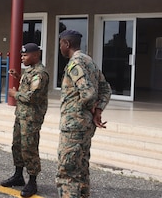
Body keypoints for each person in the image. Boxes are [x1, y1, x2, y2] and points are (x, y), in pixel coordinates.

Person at [56, 30, 111, 198]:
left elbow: (89, 93)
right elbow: (106, 89)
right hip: (86, 125)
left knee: (67, 173)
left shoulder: (75, 64)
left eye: (60, 44)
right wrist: (97, 111)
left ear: (66, 44)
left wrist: (82, 109)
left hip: (74, 126)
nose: (60, 48)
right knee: (81, 169)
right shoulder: (90, 61)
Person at [0, 43, 49, 197]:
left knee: (29, 149)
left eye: (25, 55)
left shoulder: (40, 73)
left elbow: (33, 96)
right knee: (17, 145)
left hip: (31, 118)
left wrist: (15, 94)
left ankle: (32, 181)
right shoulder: (30, 71)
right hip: (21, 115)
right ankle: (18, 175)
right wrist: (18, 77)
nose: (22, 58)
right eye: (21, 55)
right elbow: (29, 85)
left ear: (36, 55)